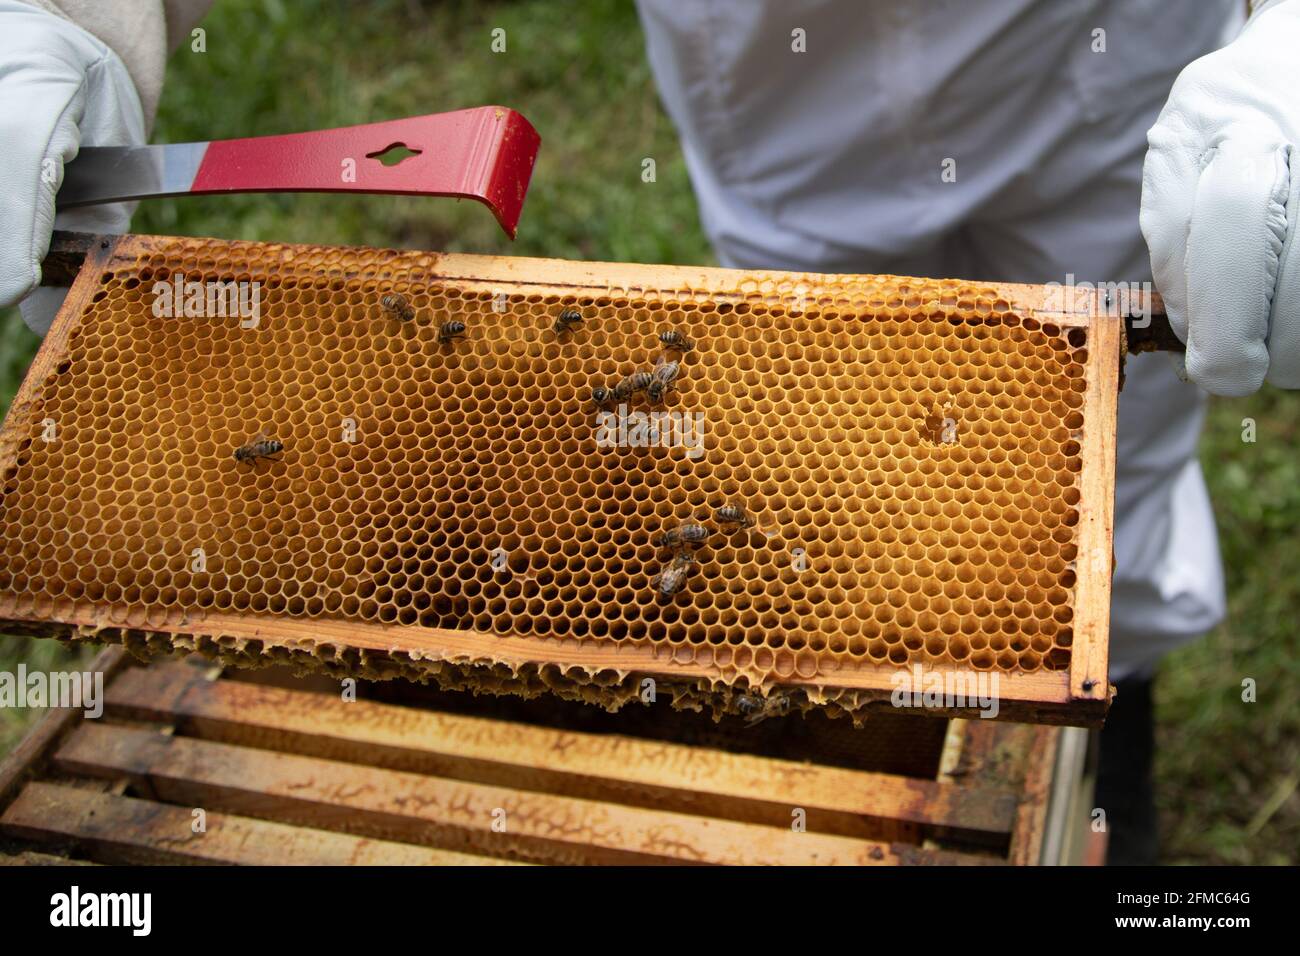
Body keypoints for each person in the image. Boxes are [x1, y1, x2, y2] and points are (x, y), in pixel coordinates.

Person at [2, 0, 1297, 863]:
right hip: (776, 66)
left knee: (1085, 449)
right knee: (799, 433)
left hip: (1111, 52)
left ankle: (1097, 750)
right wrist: (78, 16)